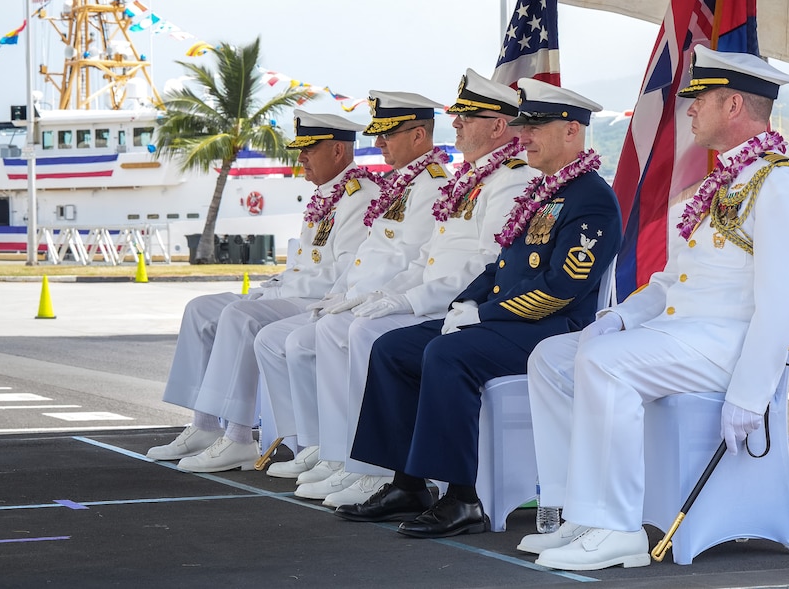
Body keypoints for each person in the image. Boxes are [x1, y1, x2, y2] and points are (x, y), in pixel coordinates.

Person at [519, 48, 789, 571]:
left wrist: (750, 393)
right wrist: (619, 318)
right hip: (680, 334)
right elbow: (669, 281)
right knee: (553, 356)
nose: (689, 110)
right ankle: (579, 510)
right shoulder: (720, 184)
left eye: (698, 99)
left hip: (728, 343)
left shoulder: (778, 185)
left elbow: (784, 300)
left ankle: (617, 528)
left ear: (732, 105)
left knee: (605, 362)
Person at [335, 79, 623, 540]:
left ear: (571, 131)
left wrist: (484, 316)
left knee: (447, 356)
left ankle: (462, 498)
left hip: (552, 330)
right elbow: (499, 263)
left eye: (534, 126)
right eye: (521, 125)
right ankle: (408, 484)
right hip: (505, 320)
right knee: (395, 348)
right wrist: (466, 300)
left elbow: (562, 289)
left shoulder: (591, 198)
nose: (522, 134)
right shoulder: (544, 191)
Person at [262, 70, 539, 505]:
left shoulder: (512, 179)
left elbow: (486, 263)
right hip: (435, 298)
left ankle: (376, 468)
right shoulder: (469, 180)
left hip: (461, 308)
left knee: (358, 333)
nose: (457, 124)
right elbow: (424, 256)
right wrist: (382, 294)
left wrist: (409, 299)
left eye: (467, 116)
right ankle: (352, 459)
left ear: (499, 126)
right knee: (342, 328)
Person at [146, 111, 381, 471]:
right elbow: (305, 263)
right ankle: (205, 426)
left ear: (337, 151)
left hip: (314, 301)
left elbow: (342, 275)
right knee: (201, 308)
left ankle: (239, 437)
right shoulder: (326, 194)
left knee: (241, 316)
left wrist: (273, 295)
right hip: (289, 292)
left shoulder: (359, 196)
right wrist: (271, 288)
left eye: (308, 149)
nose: (300, 157)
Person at [252, 89, 452, 487]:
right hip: (369, 298)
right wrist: (340, 295)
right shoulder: (402, 184)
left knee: (326, 335)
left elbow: (411, 260)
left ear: (417, 136)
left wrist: (374, 299)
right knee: (287, 339)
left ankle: (359, 461)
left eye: (387, 134)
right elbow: (367, 255)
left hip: (403, 304)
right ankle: (324, 447)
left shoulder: (431, 185)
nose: (377, 144)